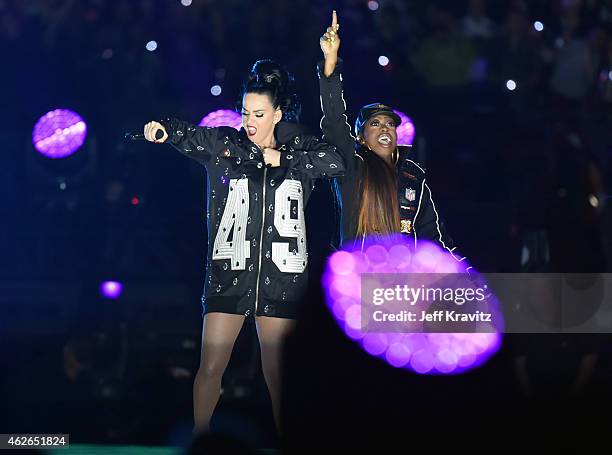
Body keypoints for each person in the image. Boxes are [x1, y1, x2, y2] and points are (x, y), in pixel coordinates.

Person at [141, 59, 344, 434]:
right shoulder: (225, 144)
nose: (250, 120)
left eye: (259, 113)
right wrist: (163, 129)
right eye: (246, 112)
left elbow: (337, 162)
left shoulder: (301, 149)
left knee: (280, 376)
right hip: (229, 277)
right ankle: (201, 440)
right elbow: (186, 133)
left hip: (282, 281)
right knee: (211, 366)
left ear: (277, 114)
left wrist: (281, 158)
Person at [318, 11, 464, 263]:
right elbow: (334, 121)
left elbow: (433, 238)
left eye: (389, 124)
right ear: (361, 137)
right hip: (358, 282)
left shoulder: (413, 177)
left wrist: (462, 272)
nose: (385, 128)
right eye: (374, 124)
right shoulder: (351, 168)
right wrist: (330, 63)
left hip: (400, 285)